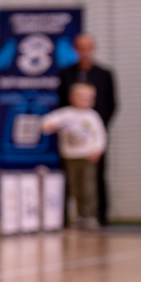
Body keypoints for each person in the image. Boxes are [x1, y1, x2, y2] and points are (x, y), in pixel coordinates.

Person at [58, 32, 117, 225]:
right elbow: (59, 106)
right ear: (75, 49)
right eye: (81, 47)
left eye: (88, 47)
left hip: (92, 139)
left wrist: (92, 127)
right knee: (71, 179)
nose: (85, 51)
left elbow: (111, 104)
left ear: (93, 49)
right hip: (71, 141)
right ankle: (66, 218)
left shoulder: (104, 74)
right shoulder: (66, 73)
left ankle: (99, 216)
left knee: (95, 177)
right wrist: (71, 125)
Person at [41, 83, 108, 228]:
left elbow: (100, 135)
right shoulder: (66, 114)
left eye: (89, 98)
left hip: (86, 156)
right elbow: (46, 123)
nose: (85, 101)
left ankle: (88, 216)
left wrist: (98, 149)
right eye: (82, 97)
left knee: (88, 187)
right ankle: (73, 216)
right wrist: (50, 126)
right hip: (70, 156)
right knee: (73, 187)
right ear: (72, 98)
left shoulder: (92, 116)